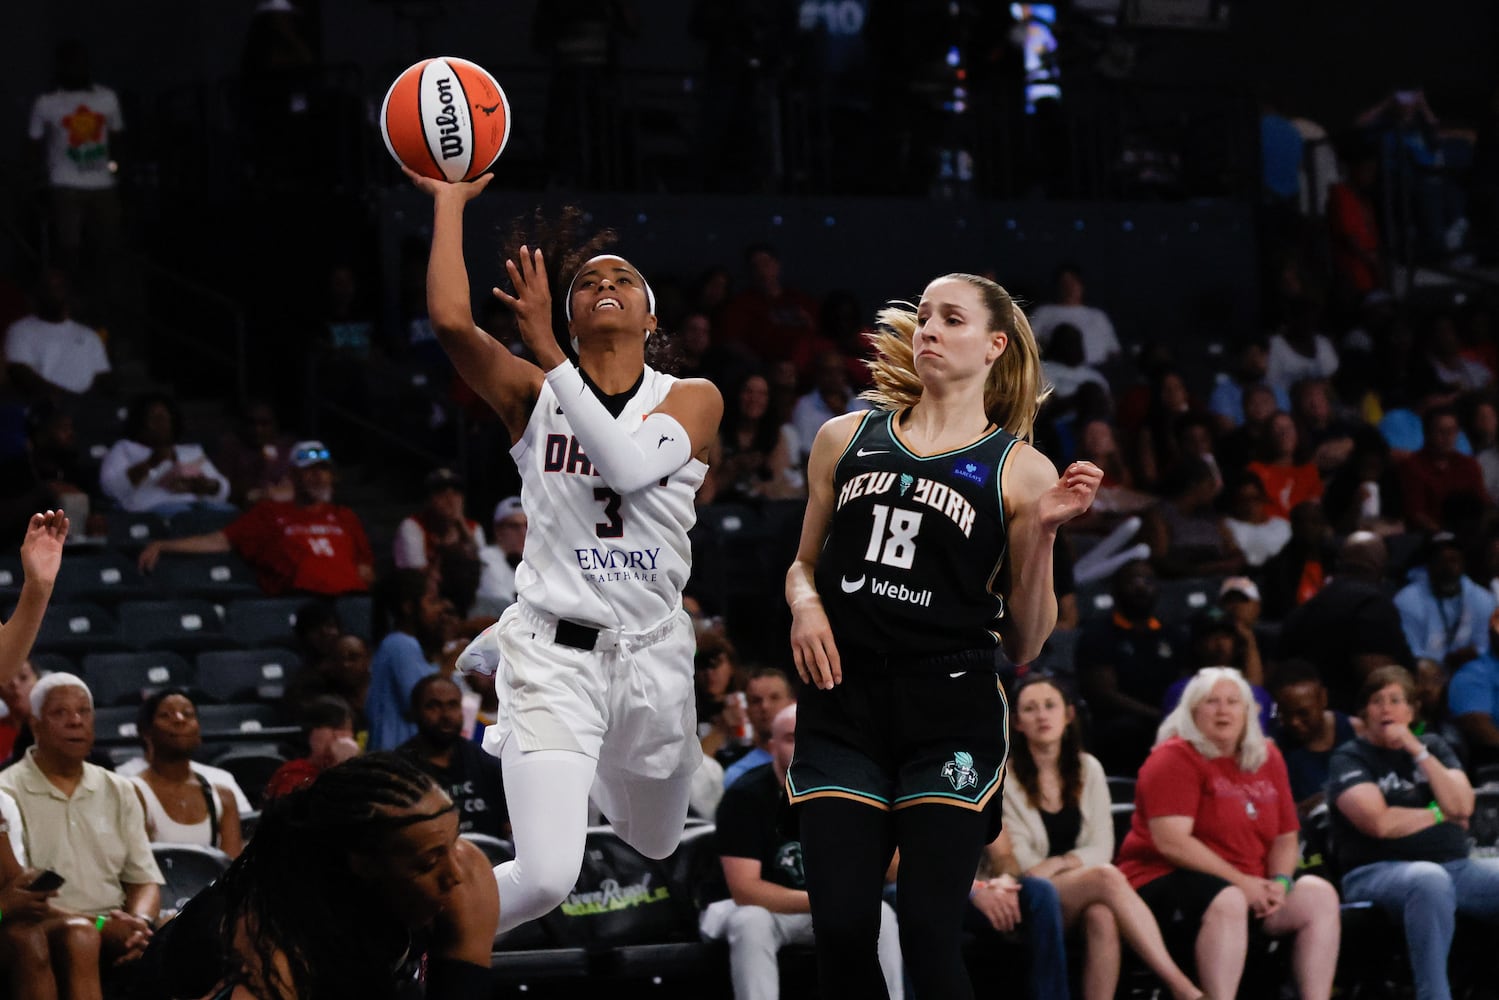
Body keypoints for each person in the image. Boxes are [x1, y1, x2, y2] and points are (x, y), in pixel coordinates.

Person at [409, 165, 722, 938]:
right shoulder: (530, 394)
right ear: (570, 316)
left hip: (651, 659)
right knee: (549, 875)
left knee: (653, 838)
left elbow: (627, 465)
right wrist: (448, 202)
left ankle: (602, 749)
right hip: (556, 659)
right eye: (587, 282)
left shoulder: (693, 397)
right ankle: (396, 949)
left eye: (623, 278)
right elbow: (451, 322)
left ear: (651, 318)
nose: (604, 283)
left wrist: (551, 352)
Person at [784, 272, 1101, 999]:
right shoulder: (843, 437)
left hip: (949, 707)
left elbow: (1023, 644)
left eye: (949, 319)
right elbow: (802, 565)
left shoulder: (1021, 471)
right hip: (843, 702)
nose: (927, 328)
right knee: (839, 930)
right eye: (923, 316)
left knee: (929, 935)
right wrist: (806, 606)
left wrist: (1045, 533)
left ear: (994, 344)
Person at [135, 753, 500, 1000]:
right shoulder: (272, 944)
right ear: (364, 865)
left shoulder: (466, 876)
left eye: (453, 843)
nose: (452, 873)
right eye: (427, 863)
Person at [1116, 668, 1340, 1000]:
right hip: (1163, 879)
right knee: (1229, 898)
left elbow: (1285, 834)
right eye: (1212, 702)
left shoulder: (1267, 755)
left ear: (1249, 712)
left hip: (1249, 884)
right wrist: (1243, 883)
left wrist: (1280, 882)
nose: (1224, 711)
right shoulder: (1173, 757)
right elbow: (1172, 842)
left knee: (1318, 895)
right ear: (1193, 710)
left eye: (1233, 702)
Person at [1003, 675, 1203, 1000]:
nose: (1042, 715)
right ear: (1017, 723)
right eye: (1030, 709)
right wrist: (1073, 869)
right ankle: (1182, 988)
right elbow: (1024, 864)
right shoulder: (1005, 779)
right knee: (1106, 877)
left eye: (1050, 706)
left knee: (1103, 915)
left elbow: (1102, 846)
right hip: (1027, 896)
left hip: (1075, 888)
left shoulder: (1088, 769)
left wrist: (1060, 863)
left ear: (1068, 715)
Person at [702, 704, 904, 1000]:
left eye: (811, 737)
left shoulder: (844, 789)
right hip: (752, 908)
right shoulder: (745, 796)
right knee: (751, 923)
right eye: (791, 738)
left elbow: (892, 871)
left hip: (817, 907)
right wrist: (832, 901)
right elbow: (746, 891)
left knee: (881, 915)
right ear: (771, 746)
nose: (804, 747)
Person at [1327, 665, 1496, 1000]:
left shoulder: (1433, 745)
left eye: (1395, 699)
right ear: (1364, 712)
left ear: (1412, 709)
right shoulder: (1349, 758)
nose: (1386, 708)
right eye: (1377, 701)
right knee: (1429, 879)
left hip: (1456, 867)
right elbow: (1379, 823)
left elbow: (1463, 805)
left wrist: (1417, 751)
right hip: (1374, 871)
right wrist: (1438, 812)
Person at [0, 674, 163, 972]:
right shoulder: (5, 791)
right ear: (35, 724)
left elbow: (144, 879)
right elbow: (22, 897)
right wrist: (100, 925)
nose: (75, 721)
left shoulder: (120, 788)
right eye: (60, 712)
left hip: (119, 927)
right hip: (49, 926)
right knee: (80, 936)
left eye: (83, 711)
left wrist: (139, 924)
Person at [138, 440, 374, 596]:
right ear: (292, 474)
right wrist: (165, 544)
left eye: (323, 469)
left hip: (350, 598)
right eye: (309, 470)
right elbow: (220, 540)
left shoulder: (345, 516)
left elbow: (365, 567)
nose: (318, 476)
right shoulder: (270, 513)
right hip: (302, 600)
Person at [1277, 530, 1412, 712]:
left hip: (1308, 717)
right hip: (1353, 722)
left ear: (1340, 562)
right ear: (1381, 565)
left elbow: (1275, 674)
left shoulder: (1305, 608)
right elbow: (1379, 678)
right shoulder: (1373, 606)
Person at [127, 688, 243, 857]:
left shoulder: (224, 797)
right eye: (166, 715)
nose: (179, 720)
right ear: (147, 733)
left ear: (198, 734)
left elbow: (231, 870)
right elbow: (137, 871)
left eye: (188, 714)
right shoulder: (131, 792)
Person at [397, 675, 509, 839]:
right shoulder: (399, 770)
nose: (446, 715)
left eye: (453, 705)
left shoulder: (485, 763)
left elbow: (509, 826)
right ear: (415, 712)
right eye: (433, 706)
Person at [99, 392, 233, 517]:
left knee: (230, 513)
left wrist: (208, 486)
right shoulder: (124, 448)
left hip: (198, 507)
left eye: (165, 418)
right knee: (184, 515)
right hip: (154, 512)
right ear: (139, 422)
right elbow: (111, 489)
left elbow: (223, 489)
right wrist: (150, 463)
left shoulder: (190, 451)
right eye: (155, 418)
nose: (161, 424)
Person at [366, 569, 453, 752]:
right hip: (395, 758)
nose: (440, 608)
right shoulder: (400, 644)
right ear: (408, 607)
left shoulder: (406, 645)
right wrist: (452, 662)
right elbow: (425, 702)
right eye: (432, 601)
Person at [3, 268, 112, 399]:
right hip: (42, 408)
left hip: (84, 410)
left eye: (59, 287)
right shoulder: (20, 330)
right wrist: (66, 400)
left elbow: (102, 377)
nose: (54, 293)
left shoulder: (89, 336)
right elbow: (21, 375)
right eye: (49, 288)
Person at [1267, 660, 1361, 809]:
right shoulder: (1273, 747)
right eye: (1285, 714)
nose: (1294, 722)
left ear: (1323, 699)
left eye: (1303, 713)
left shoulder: (1357, 732)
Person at [1395, 531, 1495, 669]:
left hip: (1470, 673)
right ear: (1428, 566)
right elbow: (1410, 650)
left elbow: (1485, 646)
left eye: (1453, 560)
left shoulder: (1483, 600)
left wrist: (1474, 654)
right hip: (1423, 674)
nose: (1448, 567)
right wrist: (1435, 664)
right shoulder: (1406, 600)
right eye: (1440, 561)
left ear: (1463, 563)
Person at [393, 468, 484, 616]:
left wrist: (460, 526)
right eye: (441, 493)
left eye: (455, 492)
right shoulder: (413, 525)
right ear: (429, 500)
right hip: (427, 599)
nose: (450, 499)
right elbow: (416, 579)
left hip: (466, 596)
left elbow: (480, 567)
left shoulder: (473, 528)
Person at [722, 667, 795, 788]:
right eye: (756, 701)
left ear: (792, 703)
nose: (765, 706)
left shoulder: (815, 760)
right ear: (747, 710)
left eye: (774, 698)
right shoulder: (737, 776)